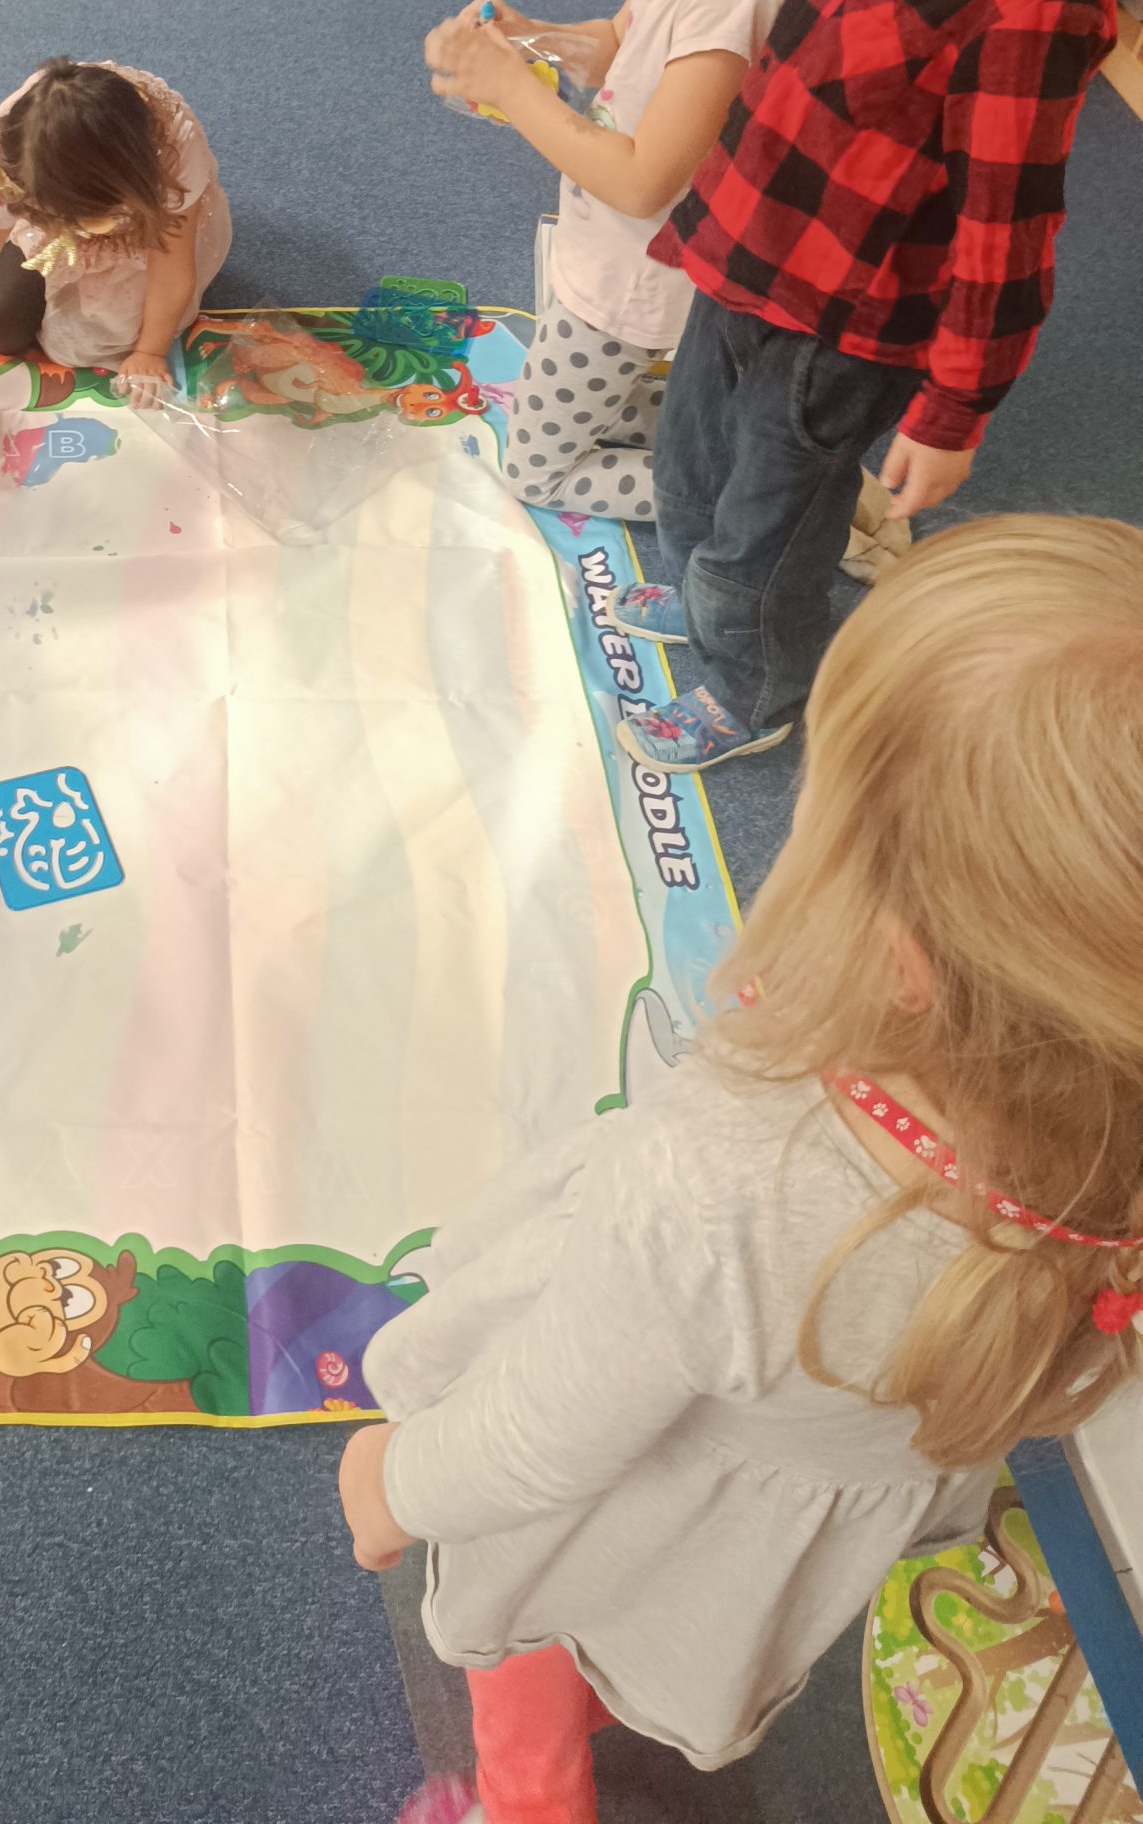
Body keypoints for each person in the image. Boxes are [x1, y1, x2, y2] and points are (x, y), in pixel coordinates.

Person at [339, 515, 1143, 1824]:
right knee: (643, 1635)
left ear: (902, 957)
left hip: (618, 1498)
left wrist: (394, 1485)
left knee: (530, 1629)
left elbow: (538, 1439)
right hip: (792, 1526)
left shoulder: (722, 1180)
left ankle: (530, 1802)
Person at [618, 0, 1112, 770]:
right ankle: (702, 597)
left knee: (766, 532)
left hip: (843, 325)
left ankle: (755, 687)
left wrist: (954, 412)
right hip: (747, 245)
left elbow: (1006, 234)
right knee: (690, 468)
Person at [424, 0, 850, 527]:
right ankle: (728, 436)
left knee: (535, 469)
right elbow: (622, 41)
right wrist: (534, 38)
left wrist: (510, 89)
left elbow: (641, 180)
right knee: (609, 399)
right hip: (610, 248)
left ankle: (742, 496)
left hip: (632, 270)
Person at [0, 58, 230, 450]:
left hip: (138, 233)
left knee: (109, 337)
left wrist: (149, 351)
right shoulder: (10, 165)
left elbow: (171, 268)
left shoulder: (171, 158)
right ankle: (54, 230)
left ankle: (91, 237)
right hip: (54, 206)